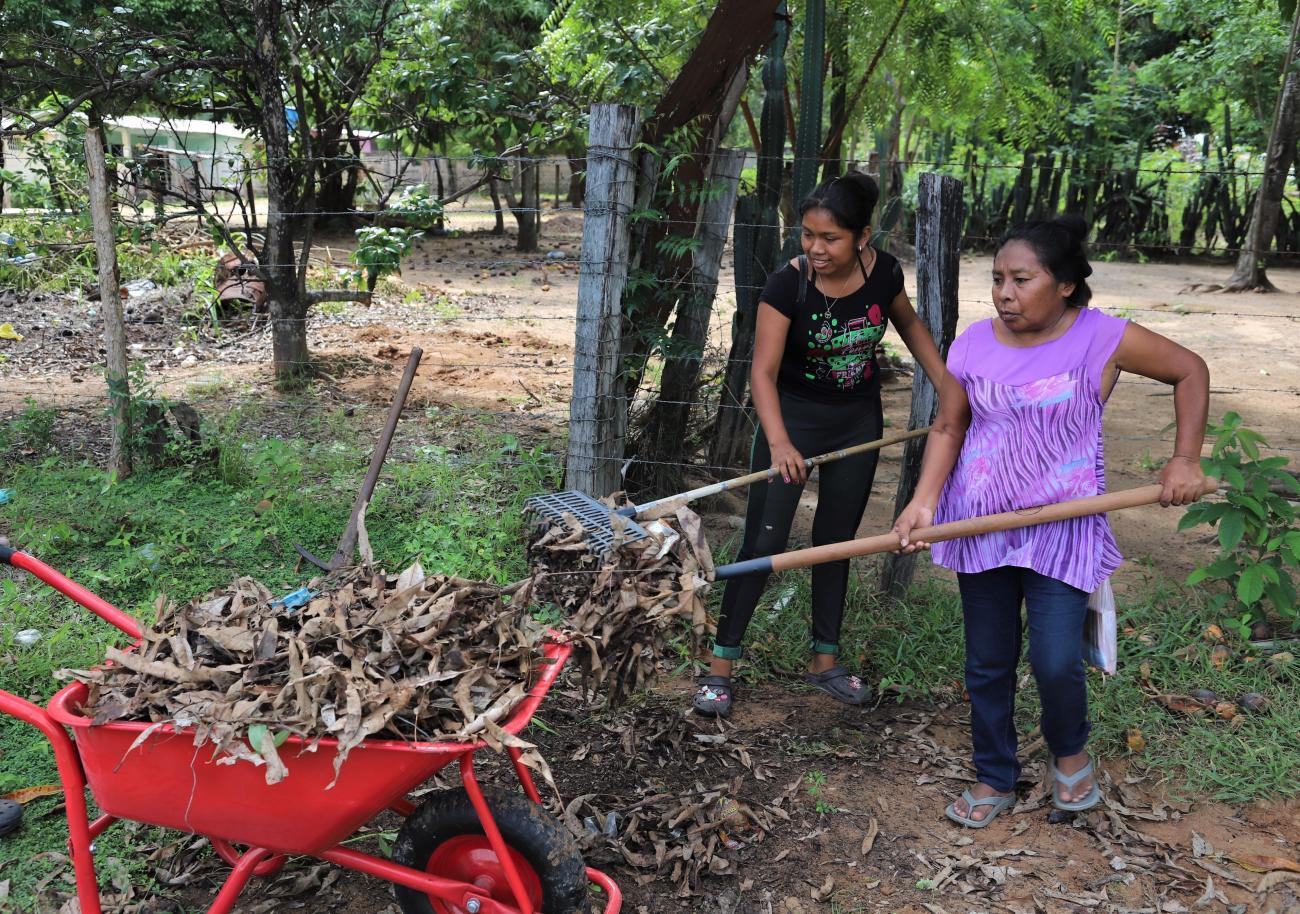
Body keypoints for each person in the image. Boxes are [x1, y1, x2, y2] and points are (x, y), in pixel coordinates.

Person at [892, 215, 1209, 827]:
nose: (1004, 294)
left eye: (1021, 279)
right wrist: (925, 501)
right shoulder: (974, 342)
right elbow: (950, 425)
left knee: (1056, 657)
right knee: (987, 659)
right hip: (977, 525)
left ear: (1064, 284)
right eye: (998, 280)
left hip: (1062, 527)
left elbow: (1189, 368)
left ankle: (1070, 755)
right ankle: (994, 775)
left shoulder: (1101, 337)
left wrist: (1186, 458)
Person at [693, 172, 947, 718]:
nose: (814, 248)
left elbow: (915, 333)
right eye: (807, 235)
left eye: (828, 238)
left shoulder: (884, 275)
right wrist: (780, 442)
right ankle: (719, 667)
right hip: (792, 421)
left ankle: (824, 662)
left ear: (862, 236)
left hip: (858, 421)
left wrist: (953, 394)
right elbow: (761, 373)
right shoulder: (789, 285)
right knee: (764, 542)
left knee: (837, 540)